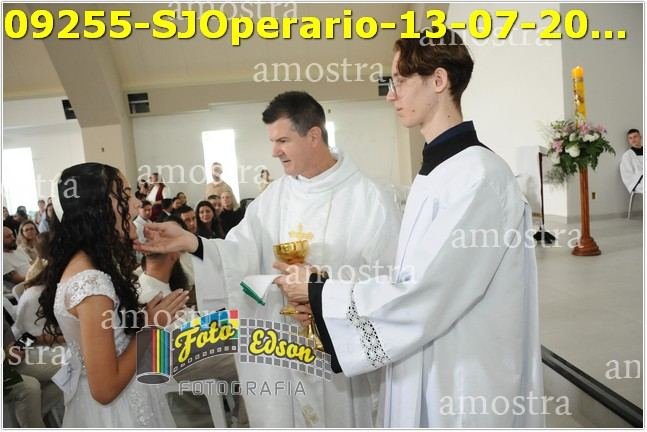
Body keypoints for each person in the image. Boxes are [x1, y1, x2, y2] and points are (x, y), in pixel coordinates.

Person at [273, 31, 545, 428]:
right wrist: (322, 292)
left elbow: (427, 291)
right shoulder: (439, 171)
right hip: (430, 358)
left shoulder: (478, 176)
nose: (390, 95)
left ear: (438, 81)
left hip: (463, 376)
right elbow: (412, 276)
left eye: (399, 81)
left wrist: (319, 293)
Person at [137, 91, 401, 428]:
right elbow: (238, 255)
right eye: (272, 141)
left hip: (339, 354)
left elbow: (388, 284)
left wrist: (322, 291)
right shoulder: (275, 197)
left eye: (283, 140)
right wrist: (193, 243)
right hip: (284, 350)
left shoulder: (370, 199)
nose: (274, 151)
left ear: (314, 136)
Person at [38, 162, 188, 427]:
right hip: (117, 413)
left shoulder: (88, 265)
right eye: (125, 195)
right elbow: (105, 388)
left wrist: (142, 319)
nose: (135, 204)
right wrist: (151, 327)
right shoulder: (92, 284)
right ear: (97, 208)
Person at [3, 226, 32, 293]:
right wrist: (38, 276)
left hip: (34, 283)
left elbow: (33, 265)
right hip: (23, 290)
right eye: (8, 237)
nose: (13, 238)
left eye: (12, 235)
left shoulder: (19, 249)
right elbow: (18, 280)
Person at [620, 128, 643, 194]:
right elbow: (627, 175)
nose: (633, 140)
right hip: (638, 183)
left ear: (640, 137)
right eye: (630, 138)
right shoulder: (627, 156)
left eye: (635, 137)